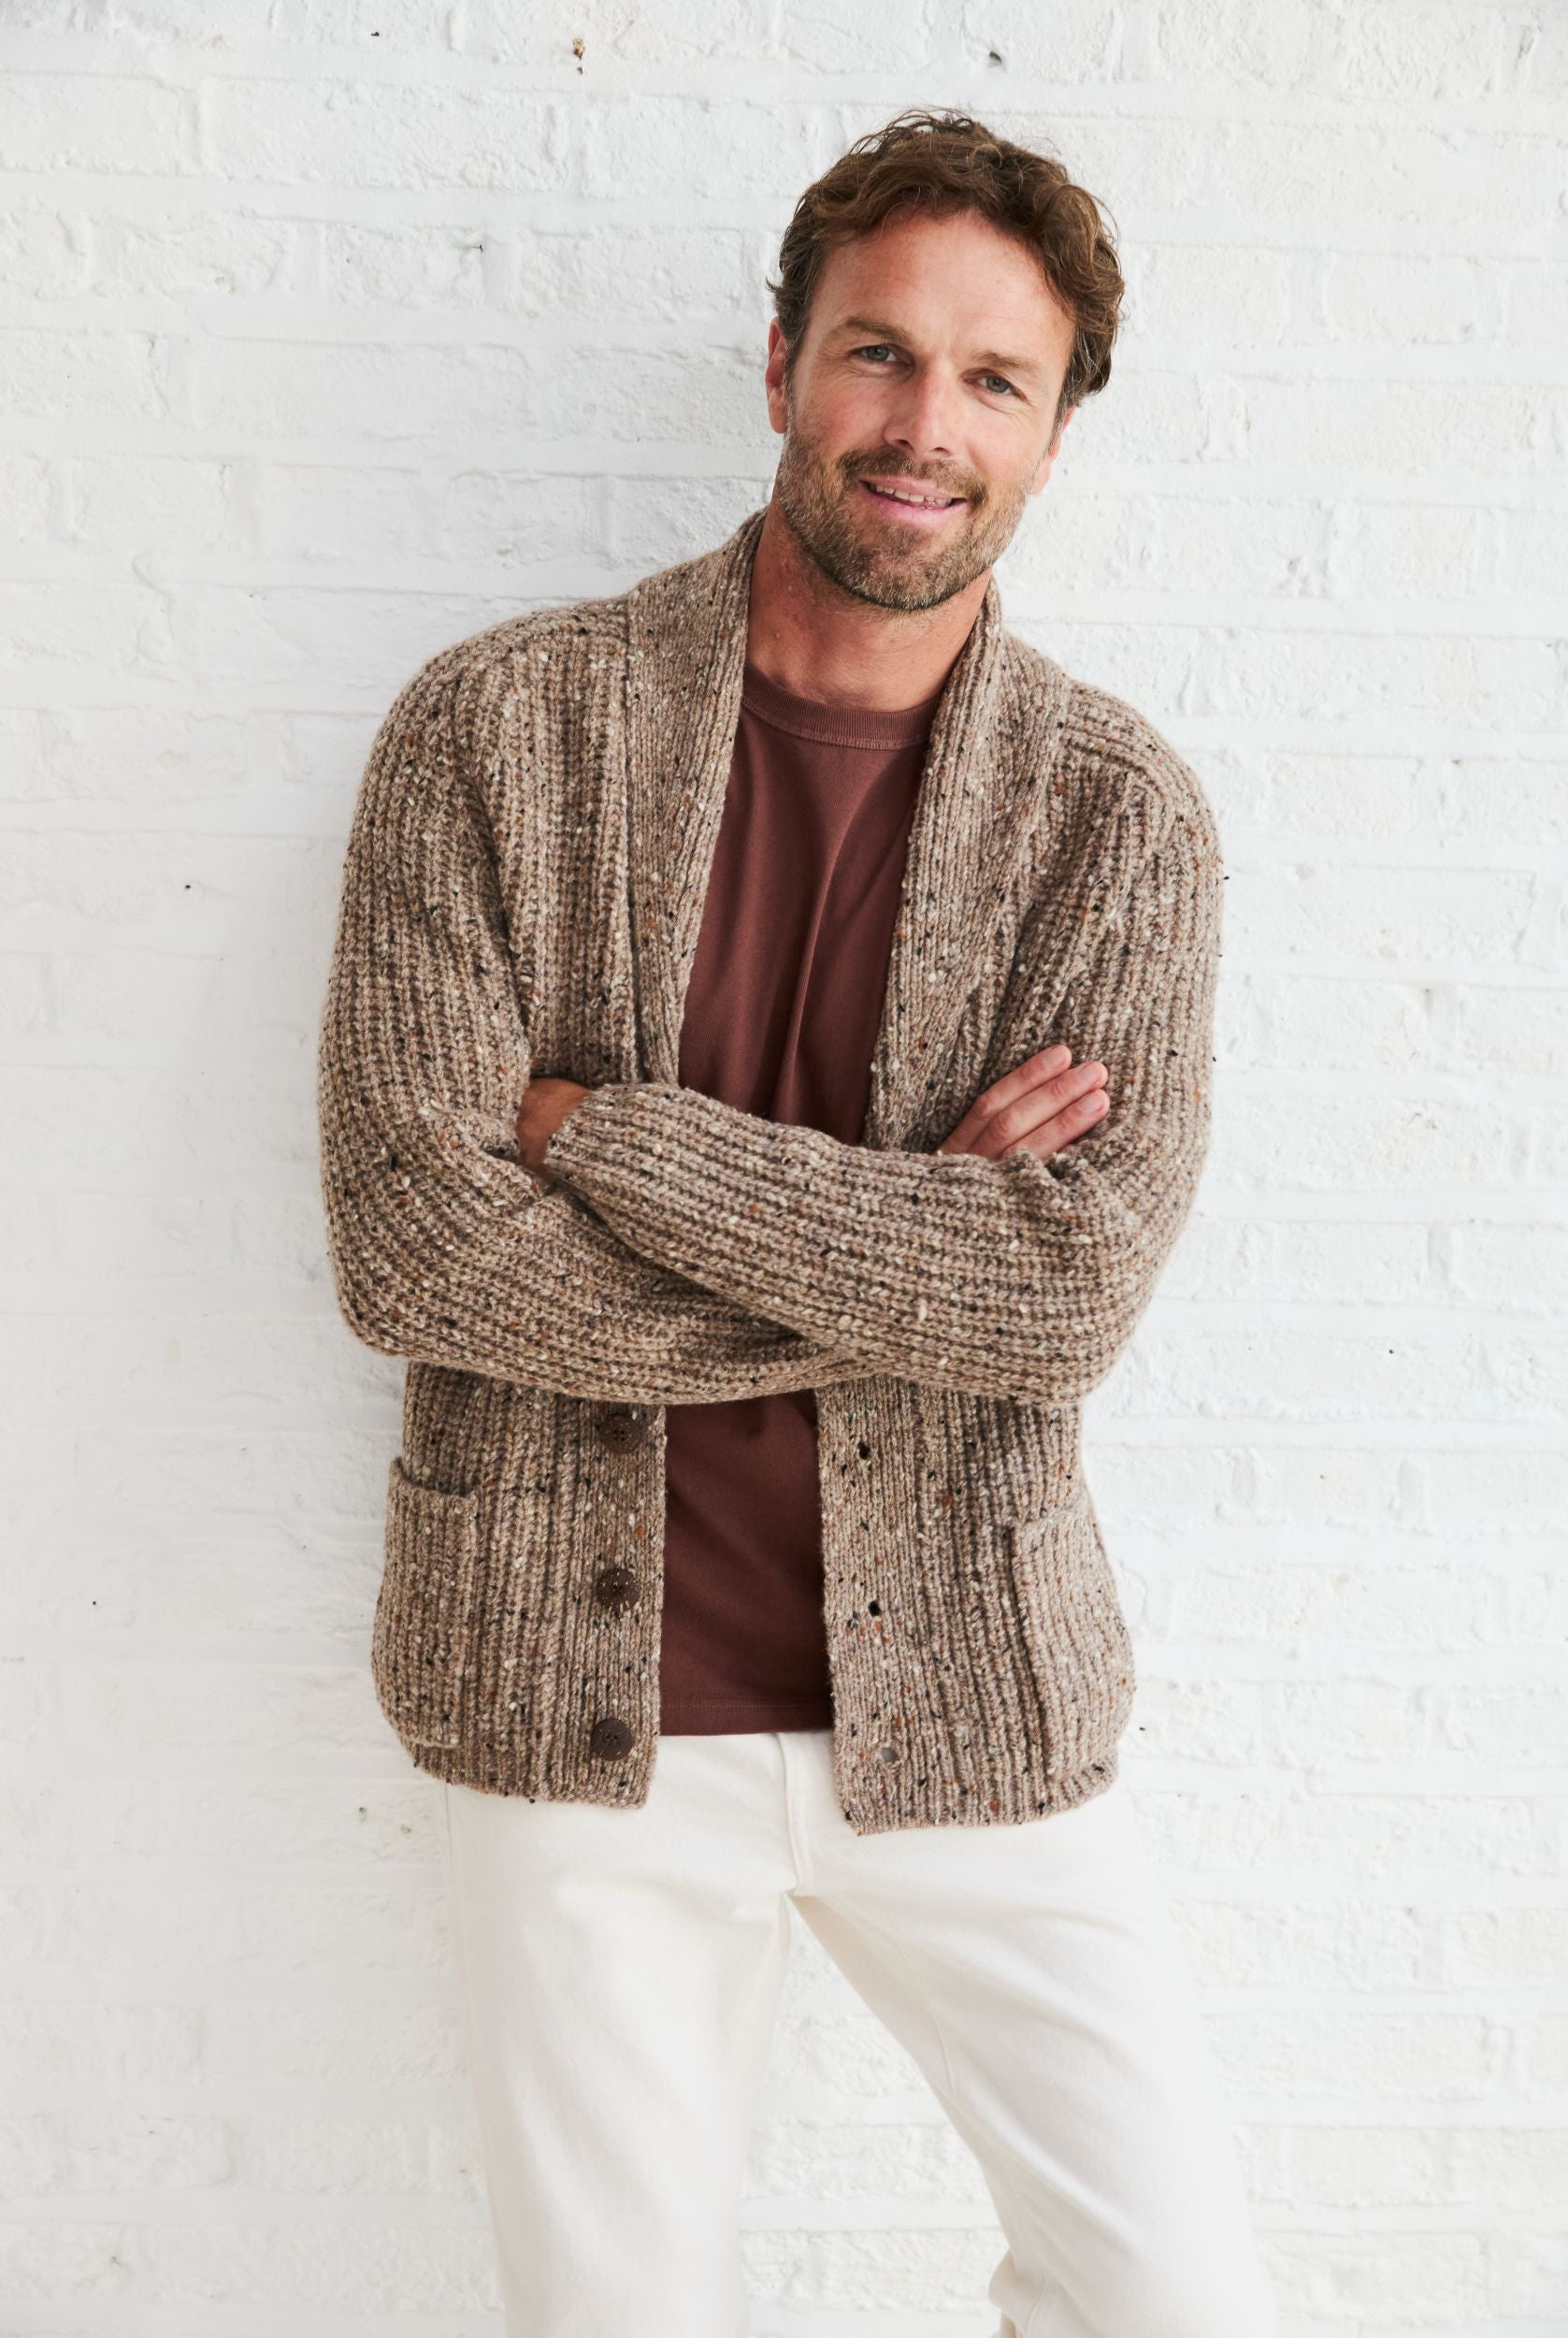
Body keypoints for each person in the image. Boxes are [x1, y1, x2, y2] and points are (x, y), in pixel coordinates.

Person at [316, 106, 1278, 2338]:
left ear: (1049, 434)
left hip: (974, 1696)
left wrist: (611, 1137)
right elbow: (411, 1245)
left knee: (1174, 2299)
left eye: (991, 378)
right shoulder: (496, 732)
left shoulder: (1113, 817)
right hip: (569, 1705)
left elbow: (1060, 1295)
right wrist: (917, 1246)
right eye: (875, 352)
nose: (922, 422)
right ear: (778, 367)